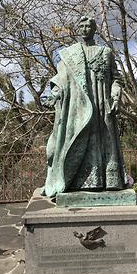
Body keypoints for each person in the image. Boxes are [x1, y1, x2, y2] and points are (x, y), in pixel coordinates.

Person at [43, 16, 128, 198]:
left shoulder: (106, 52)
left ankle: (106, 182)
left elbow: (117, 79)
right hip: (78, 109)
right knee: (78, 140)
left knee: (103, 143)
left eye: (89, 25)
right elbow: (61, 79)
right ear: (78, 29)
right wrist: (55, 95)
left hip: (102, 107)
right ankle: (75, 181)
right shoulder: (70, 54)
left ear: (94, 29)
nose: (85, 28)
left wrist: (115, 97)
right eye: (81, 25)